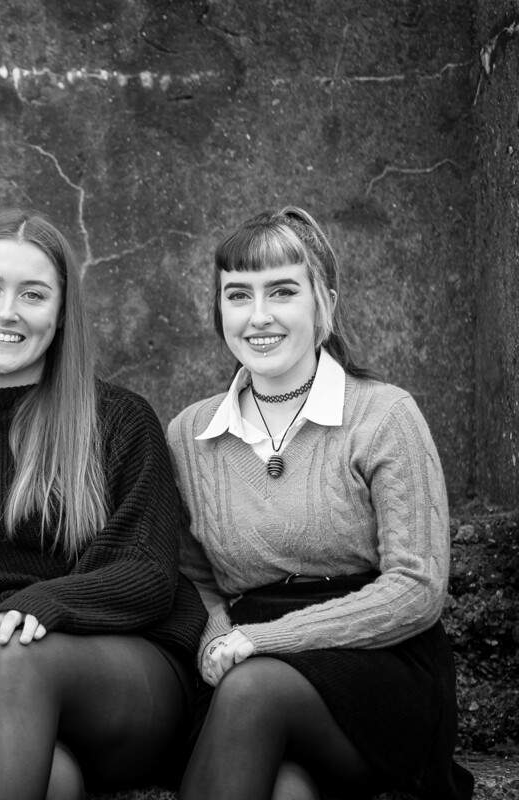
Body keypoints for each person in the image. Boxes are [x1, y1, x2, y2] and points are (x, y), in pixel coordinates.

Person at [166, 206, 474, 800]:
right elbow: (191, 576)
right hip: (243, 660)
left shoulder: (384, 416)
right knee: (285, 787)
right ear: (219, 311)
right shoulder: (190, 433)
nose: (259, 316)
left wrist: (266, 641)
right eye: (238, 295)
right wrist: (215, 639)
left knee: (254, 691)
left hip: (376, 661)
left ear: (323, 305)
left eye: (282, 291)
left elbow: (417, 585)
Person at [0, 209, 207, 800]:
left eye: (33, 294)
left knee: (22, 654)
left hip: (120, 672)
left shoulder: (116, 419)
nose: (7, 312)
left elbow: (147, 572)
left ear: (62, 312)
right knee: (52, 780)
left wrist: (43, 602)